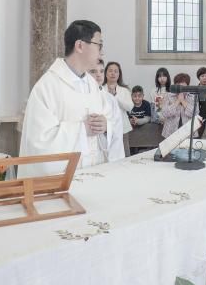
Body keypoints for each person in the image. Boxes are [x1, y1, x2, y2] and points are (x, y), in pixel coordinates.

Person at [20, 20, 124, 174]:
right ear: (80, 46)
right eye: (99, 45)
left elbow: (111, 121)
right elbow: (39, 144)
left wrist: (105, 126)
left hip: (96, 176)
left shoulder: (93, 86)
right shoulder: (47, 87)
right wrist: (82, 130)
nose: (101, 52)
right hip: (63, 183)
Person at [161, 73, 195, 139]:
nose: (180, 87)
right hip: (170, 132)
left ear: (187, 85)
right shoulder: (168, 96)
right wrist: (177, 101)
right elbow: (165, 113)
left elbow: (194, 114)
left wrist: (183, 100)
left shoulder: (192, 97)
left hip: (188, 132)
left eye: (183, 85)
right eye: (178, 84)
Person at [126, 85, 158, 154]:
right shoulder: (128, 104)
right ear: (131, 96)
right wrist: (130, 121)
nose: (137, 98)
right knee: (131, 147)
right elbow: (125, 117)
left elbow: (148, 118)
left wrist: (138, 121)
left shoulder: (146, 104)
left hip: (144, 130)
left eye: (139, 96)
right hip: (132, 131)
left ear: (143, 96)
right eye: (135, 96)